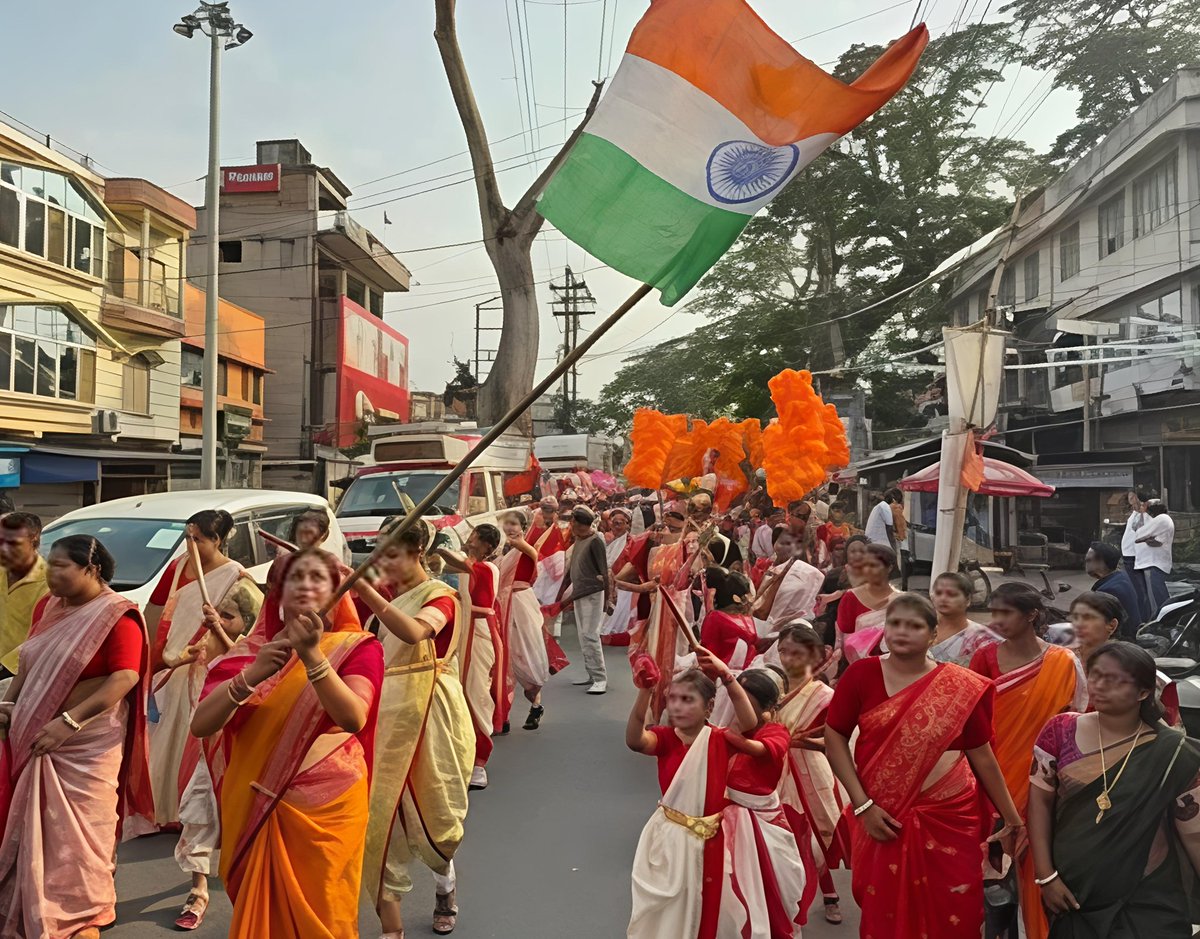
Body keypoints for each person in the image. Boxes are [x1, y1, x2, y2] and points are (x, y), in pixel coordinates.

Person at [189, 549, 382, 939]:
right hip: (255, 802)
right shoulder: (247, 654)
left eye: (318, 579)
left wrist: (311, 656)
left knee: (326, 916)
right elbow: (201, 725)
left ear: (336, 589)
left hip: (329, 804)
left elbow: (353, 717)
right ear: (277, 591)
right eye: (296, 579)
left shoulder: (357, 647)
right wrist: (256, 672)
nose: (307, 587)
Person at [826, 593, 1025, 939]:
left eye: (915, 625)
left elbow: (981, 755)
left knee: (956, 908)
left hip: (950, 814)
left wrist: (1011, 818)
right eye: (895, 623)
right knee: (882, 909)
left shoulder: (960, 686)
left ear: (933, 635)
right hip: (884, 813)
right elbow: (835, 737)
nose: (902, 632)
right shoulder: (862, 675)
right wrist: (863, 806)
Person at [0, 535, 153, 938]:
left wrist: (68, 722)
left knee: (82, 831)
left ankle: (85, 909)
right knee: (36, 827)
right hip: (33, 731)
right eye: (48, 564)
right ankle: (31, 901)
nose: (50, 573)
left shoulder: (117, 615)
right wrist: (11, 706)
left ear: (92, 569)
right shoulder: (48, 607)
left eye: (60, 565)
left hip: (89, 742)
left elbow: (125, 676)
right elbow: (28, 663)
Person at [1027, 642, 1200, 937]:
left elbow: (1194, 833)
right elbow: (1039, 804)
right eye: (1095, 675)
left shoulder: (1174, 753)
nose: (1100, 686)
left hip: (1147, 897)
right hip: (1074, 892)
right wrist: (1046, 877)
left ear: (1143, 692)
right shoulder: (1060, 731)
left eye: (1116, 680)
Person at [353, 523, 474, 938]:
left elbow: (415, 631)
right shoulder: (380, 598)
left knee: (434, 814)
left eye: (392, 554)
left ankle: (445, 888)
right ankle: (392, 928)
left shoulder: (440, 596)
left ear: (418, 549)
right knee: (381, 819)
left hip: (430, 717)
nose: (384, 563)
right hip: (383, 717)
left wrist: (366, 590)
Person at [144, 509, 263, 929]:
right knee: (168, 754)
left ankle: (202, 881)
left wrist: (217, 631)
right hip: (174, 675)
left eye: (199, 538)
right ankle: (177, 819)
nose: (191, 545)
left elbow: (250, 644)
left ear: (219, 540)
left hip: (215, 685)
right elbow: (157, 616)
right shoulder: (178, 569)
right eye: (188, 536)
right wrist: (158, 658)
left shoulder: (239, 581)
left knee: (206, 772)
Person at [969, 582, 1087, 939]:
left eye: (1006, 612)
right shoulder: (984, 657)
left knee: (1039, 878)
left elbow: (1075, 722)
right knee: (992, 886)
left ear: (1032, 615)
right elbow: (973, 725)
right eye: (994, 612)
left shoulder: (1063, 662)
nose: (997, 620)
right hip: (990, 783)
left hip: (1044, 785)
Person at [625, 657, 758, 939]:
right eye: (673, 699)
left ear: (709, 706)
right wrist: (645, 691)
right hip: (670, 839)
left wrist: (727, 676)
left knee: (708, 906)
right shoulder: (664, 739)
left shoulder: (721, 739)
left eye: (687, 699)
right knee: (670, 909)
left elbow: (749, 722)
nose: (677, 706)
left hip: (711, 839)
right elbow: (635, 740)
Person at [719, 668, 807, 937]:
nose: (736, 705)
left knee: (769, 888)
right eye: (734, 699)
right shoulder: (729, 730)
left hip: (762, 823)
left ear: (766, 706)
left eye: (743, 700)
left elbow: (760, 751)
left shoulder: (776, 732)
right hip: (724, 820)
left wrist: (721, 734)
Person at [775, 623, 848, 926]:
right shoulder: (771, 684)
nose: (787, 658)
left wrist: (800, 741)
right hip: (772, 770)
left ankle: (828, 893)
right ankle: (785, 897)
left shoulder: (825, 697)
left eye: (796, 652)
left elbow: (835, 743)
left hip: (810, 774)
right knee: (784, 837)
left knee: (813, 837)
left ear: (814, 655)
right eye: (783, 651)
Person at [437, 524, 503, 791]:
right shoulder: (469, 566)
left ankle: (480, 762)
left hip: (480, 632)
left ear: (487, 545)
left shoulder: (486, 568)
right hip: (464, 631)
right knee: (459, 694)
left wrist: (438, 544)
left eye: (474, 536)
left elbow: (456, 563)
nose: (469, 538)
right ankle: (462, 755)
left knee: (477, 695)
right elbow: (441, 569)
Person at [496, 510, 551, 731]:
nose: (509, 527)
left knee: (528, 659)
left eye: (513, 524)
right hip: (502, 606)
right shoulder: (500, 553)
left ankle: (536, 705)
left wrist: (516, 543)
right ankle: (503, 716)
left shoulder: (526, 548)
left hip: (521, 605)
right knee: (503, 663)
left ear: (523, 526)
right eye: (505, 524)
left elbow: (532, 554)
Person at [560, 506, 612, 695]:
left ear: (580, 524)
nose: (570, 526)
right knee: (583, 636)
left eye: (573, 522)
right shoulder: (579, 539)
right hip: (580, 593)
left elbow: (604, 572)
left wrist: (608, 599)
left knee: (590, 635)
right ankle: (591, 674)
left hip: (592, 594)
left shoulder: (596, 540)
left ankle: (600, 678)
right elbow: (571, 568)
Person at [0, 512, 48, 677]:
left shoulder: (49, 583)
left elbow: (42, 635)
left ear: (33, 537)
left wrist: (6, 665)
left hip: (18, 671)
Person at [834, 543, 900, 660]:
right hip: (857, 665)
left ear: (889, 568)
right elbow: (845, 640)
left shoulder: (900, 601)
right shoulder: (851, 598)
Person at [752, 529, 825, 628]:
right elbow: (760, 602)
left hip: (788, 627)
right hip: (761, 623)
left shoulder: (805, 574)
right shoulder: (768, 567)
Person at [929, 571, 1001, 667]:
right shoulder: (921, 627)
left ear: (968, 600)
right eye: (938, 593)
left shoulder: (981, 638)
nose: (943, 598)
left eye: (951, 594)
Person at [529, 496, 569, 637]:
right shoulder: (532, 522)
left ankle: (552, 633)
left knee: (554, 599)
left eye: (550, 510)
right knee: (535, 599)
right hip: (537, 566)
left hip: (556, 566)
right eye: (545, 509)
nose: (547, 512)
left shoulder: (562, 525)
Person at [1085, 541, 1141, 639]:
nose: (1086, 564)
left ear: (1101, 562)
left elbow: (1099, 629)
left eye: (1089, 560)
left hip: (1121, 641)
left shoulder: (1107, 591)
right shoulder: (1120, 576)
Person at [600, 507, 638, 645]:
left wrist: (615, 581)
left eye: (620, 523)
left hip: (623, 589)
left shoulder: (632, 542)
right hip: (605, 586)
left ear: (628, 524)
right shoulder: (605, 539)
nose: (616, 525)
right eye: (614, 522)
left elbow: (632, 565)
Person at [1134, 498, 1174, 621]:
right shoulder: (1163, 520)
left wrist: (1145, 538)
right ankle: (1164, 620)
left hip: (1154, 563)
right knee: (1157, 596)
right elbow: (1154, 541)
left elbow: (1139, 535)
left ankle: (1161, 621)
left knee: (1156, 598)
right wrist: (1148, 539)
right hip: (1155, 562)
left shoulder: (1161, 519)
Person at [1067, 591, 1122, 665]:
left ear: (1111, 626)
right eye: (1075, 617)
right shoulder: (1065, 651)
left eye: (1088, 618)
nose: (1078, 624)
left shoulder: (1115, 667)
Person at [1120, 489, 1149, 624]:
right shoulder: (1134, 513)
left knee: (1139, 590)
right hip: (1128, 554)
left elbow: (1139, 528)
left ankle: (1143, 618)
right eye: (1129, 497)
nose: (1131, 499)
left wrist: (1141, 510)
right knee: (1136, 588)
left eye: (1133, 496)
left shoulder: (1143, 513)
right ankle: (1141, 617)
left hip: (1134, 555)